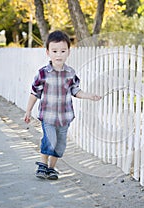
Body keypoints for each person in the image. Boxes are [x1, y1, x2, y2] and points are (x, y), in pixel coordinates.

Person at [24, 30, 101, 180]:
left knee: (60, 145)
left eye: (62, 51)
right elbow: (34, 93)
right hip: (48, 116)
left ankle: (52, 168)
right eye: (54, 51)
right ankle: (43, 164)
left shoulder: (70, 73)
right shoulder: (43, 73)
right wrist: (28, 111)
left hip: (65, 117)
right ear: (47, 52)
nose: (58, 55)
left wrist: (89, 96)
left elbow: (75, 90)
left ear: (68, 52)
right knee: (50, 139)